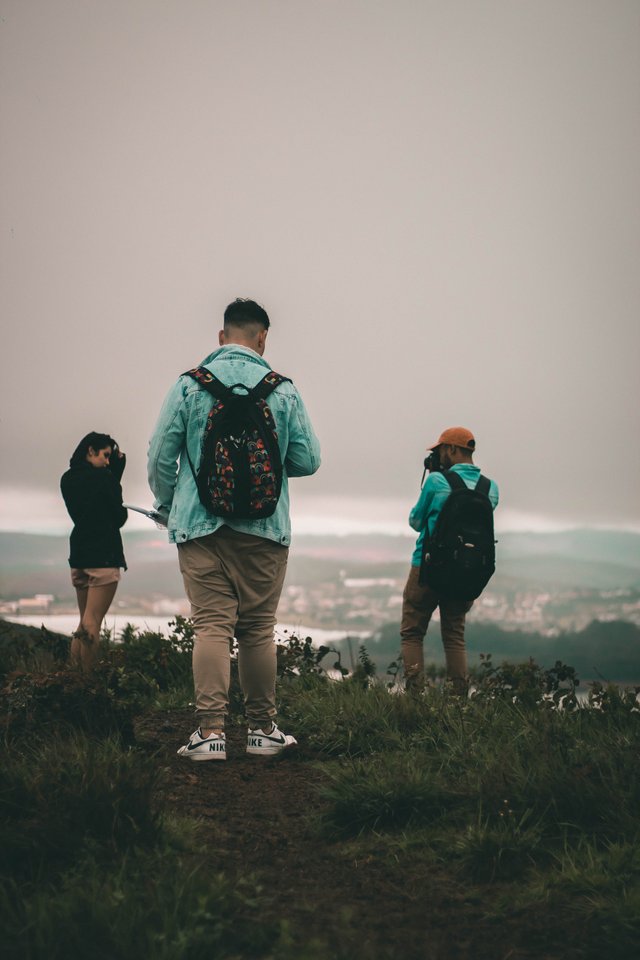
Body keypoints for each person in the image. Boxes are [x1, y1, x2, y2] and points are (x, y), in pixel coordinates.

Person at [148, 298, 321, 761]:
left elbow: (161, 455)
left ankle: (211, 734)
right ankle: (263, 731)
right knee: (258, 630)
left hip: (200, 526)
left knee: (211, 626)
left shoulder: (189, 385)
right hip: (265, 529)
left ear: (221, 337)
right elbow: (308, 460)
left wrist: (169, 505)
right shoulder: (282, 390)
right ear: (262, 338)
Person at [400, 427, 499, 695]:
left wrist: (434, 480)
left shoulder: (436, 482)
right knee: (455, 636)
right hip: (467, 571)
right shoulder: (490, 489)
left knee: (412, 632)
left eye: (441, 450)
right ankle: (459, 700)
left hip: (428, 567)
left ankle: (415, 697)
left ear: (453, 449)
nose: (439, 455)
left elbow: (416, 521)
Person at [60, 432, 128, 672]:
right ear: (91, 450)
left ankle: (73, 678)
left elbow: (88, 511)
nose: (108, 462)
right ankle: (86, 683)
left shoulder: (67, 479)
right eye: (105, 455)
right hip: (104, 556)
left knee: (83, 623)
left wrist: (110, 475)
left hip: (79, 555)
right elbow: (119, 517)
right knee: (93, 623)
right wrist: (115, 477)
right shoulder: (104, 480)